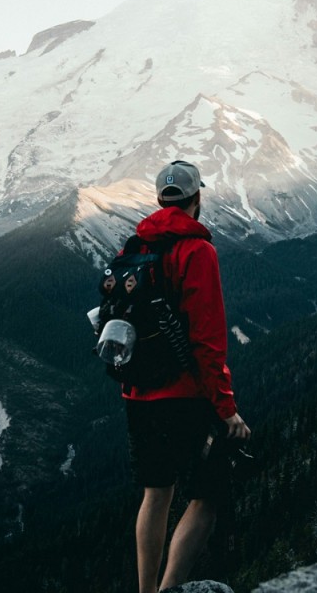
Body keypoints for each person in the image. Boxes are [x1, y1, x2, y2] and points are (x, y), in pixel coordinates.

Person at [121, 160, 250, 593]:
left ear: (160, 200)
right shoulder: (198, 251)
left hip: (137, 392)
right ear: (197, 199)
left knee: (155, 494)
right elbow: (209, 341)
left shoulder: (134, 249)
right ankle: (171, 587)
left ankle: (145, 591)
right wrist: (227, 410)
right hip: (184, 396)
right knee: (207, 494)